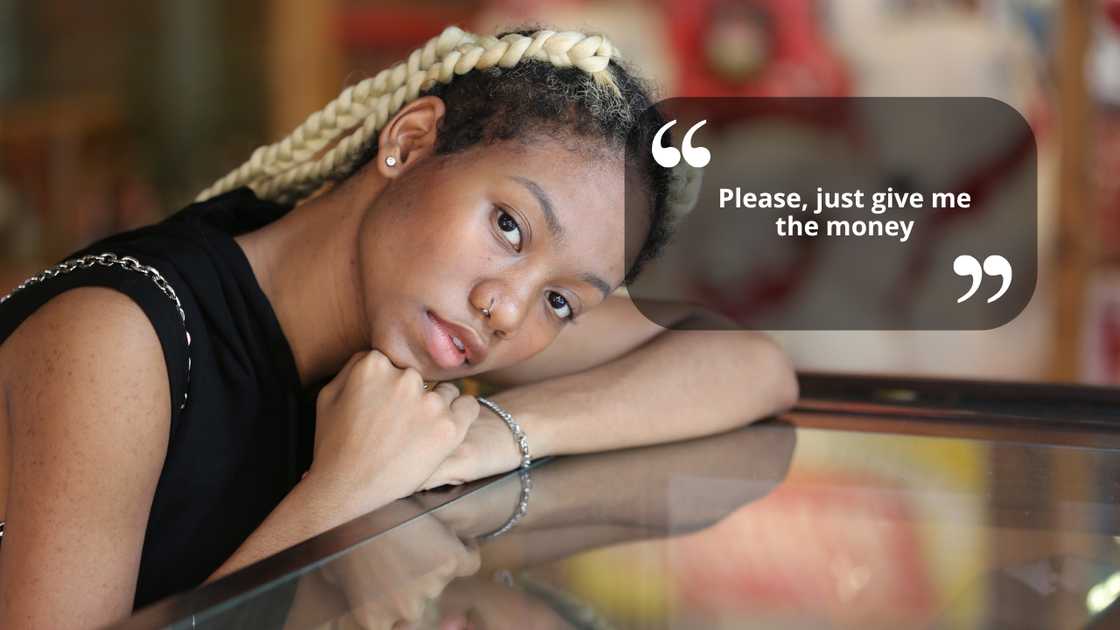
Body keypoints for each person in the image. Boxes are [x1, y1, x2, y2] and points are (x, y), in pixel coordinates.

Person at [0, 25, 798, 629]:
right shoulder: (121, 341)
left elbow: (751, 366)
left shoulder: (420, 313)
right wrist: (342, 496)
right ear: (409, 142)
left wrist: (490, 435)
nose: (508, 309)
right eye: (510, 227)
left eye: (563, 302)